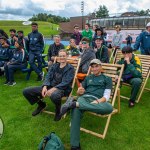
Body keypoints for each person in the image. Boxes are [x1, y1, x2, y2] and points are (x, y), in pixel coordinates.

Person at [59, 59, 113, 150]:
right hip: (84, 99)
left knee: (109, 108)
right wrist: (79, 91)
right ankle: (75, 145)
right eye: (92, 67)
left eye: (96, 66)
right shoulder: (88, 78)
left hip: (97, 101)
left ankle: (74, 104)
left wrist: (99, 101)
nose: (94, 69)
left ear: (101, 67)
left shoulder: (107, 79)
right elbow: (80, 92)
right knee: (76, 110)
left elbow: (107, 96)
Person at [23, 50, 75, 121]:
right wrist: (45, 86)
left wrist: (53, 89)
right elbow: (48, 76)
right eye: (60, 56)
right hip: (49, 86)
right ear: (58, 57)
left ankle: (58, 110)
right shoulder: (54, 66)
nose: (62, 57)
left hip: (63, 89)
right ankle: (41, 104)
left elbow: (66, 82)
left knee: (54, 95)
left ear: (67, 56)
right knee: (26, 91)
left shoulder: (70, 68)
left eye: (63, 56)